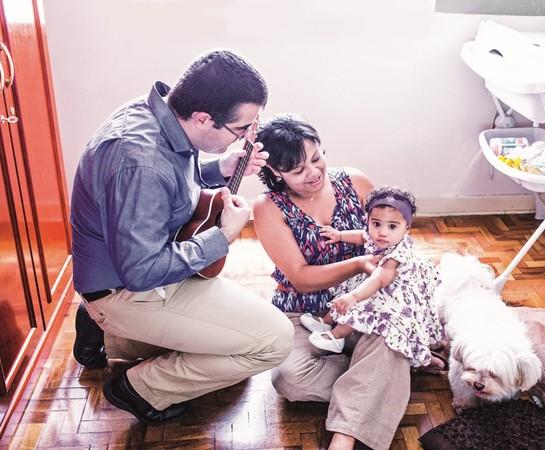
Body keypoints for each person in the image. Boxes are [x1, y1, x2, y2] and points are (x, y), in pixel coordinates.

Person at [70, 50, 294, 425]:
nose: (244, 137)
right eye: (241, 129)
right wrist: (222, 236)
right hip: (128, 288)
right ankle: (140, 389)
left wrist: (218, 167)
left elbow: (169, 185)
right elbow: (142, 271)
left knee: (236, 335)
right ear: (203, 117)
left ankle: (106, 334)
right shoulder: (139, 161)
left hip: (119, 271)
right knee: (275, 342)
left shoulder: (160, 114)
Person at [253, 113, 410, 450]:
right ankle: (385, 375)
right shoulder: (268, 208)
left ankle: (345, 436)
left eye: (316, 157)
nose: (313, 172)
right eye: (297, 170)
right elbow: (301, 278)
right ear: (275, 173)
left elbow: (394, 237)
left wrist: (379, 267)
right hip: (304, 308)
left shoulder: (355, 181)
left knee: (389, 333)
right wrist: (358, 263)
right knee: (290, 379)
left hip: (367, 300)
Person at [300, 186, 446, 373]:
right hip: (379, 277)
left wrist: (354, 297)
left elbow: (378, 281)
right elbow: (362, 236)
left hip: (399, 287)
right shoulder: (376, 235)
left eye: (392, 226)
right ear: (368, 220)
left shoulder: (395, 256)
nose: (382, 232)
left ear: (407, 228)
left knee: (367, 304)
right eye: (376, 224)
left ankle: (336, 336)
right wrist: (339, 236)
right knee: (349, 291)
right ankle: (327, 320)